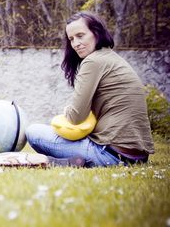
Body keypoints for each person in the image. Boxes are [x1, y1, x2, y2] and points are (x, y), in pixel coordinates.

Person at [26, 12, 155, 166]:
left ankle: (65, 161)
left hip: (109, 155)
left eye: (80, 36)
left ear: (96, 33)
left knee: (33, 132)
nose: (75, 44)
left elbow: (76, 117)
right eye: (71, 39)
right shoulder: (112, 58)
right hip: (137, 157)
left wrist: (67, 110)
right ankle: (66, 161)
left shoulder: (93, 62)